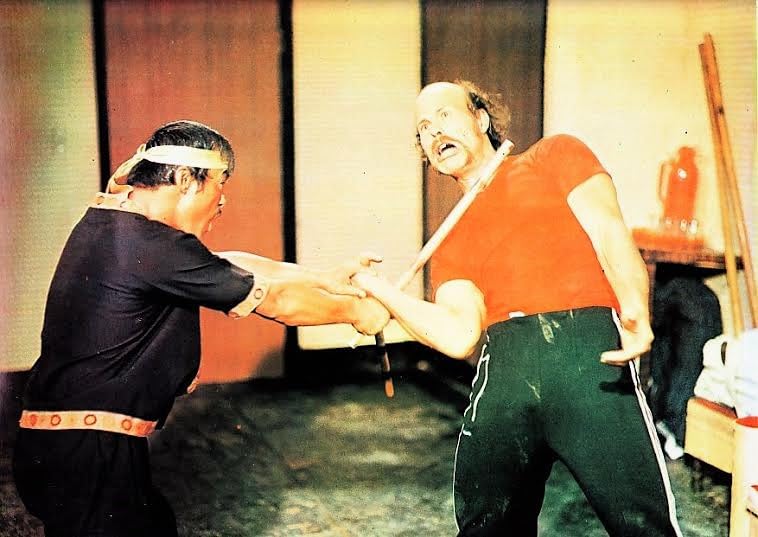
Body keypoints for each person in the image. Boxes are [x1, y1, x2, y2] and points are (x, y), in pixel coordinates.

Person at [12, 120, 389, 537]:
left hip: (64, 447)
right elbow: (277, 303)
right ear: (185, 180)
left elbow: (225, 265)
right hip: (90, 454)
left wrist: (324, 278)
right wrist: (356, 313)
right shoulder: (152, 245)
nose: (222, 201)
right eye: (219, 184)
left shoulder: (115, 224)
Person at [351, 81, 683, 536]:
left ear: (481, 119)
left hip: (588, 357)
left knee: (643, 526)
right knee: (485, 526)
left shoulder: (553, 156)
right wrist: (382, 293)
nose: (435, 132)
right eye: (424, 128)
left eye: (445, 115)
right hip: (506, 369)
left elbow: (608, 230)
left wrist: (633, 306)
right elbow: (458, 336)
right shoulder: (449, 237)